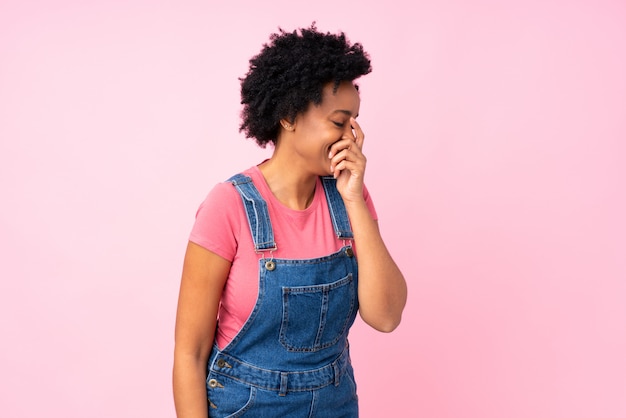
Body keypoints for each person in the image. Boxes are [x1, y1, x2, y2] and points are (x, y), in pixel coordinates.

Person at [173, 24, 407, 418]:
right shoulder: (228, 206)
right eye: (339, 121)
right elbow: (189, 353)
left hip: (335, 404)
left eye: (355, 123)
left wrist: (353, 199)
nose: (352, 137)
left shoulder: (351, 198)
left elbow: (385, 317)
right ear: (287, 116)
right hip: (245, 407)